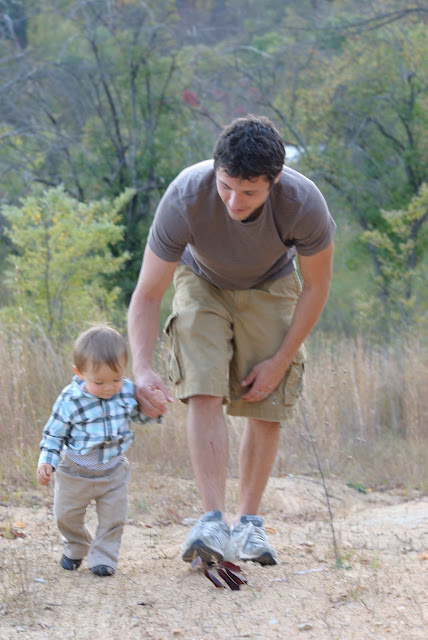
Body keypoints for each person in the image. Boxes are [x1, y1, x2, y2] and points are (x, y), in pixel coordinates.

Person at [127, 114, 335, 566]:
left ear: (274, 181)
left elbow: (317, 286)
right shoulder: (185, 196)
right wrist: (141, 369)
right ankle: (212, 522)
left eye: (249, 192)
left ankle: (248, 524)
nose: (234, 201)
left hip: (272, 283)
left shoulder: (304, 203)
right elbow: (148, 293)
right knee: (202, 385)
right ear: (215, 169)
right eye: (226, 186)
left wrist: (280, 360)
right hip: (201, 280)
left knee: (265, 397)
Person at [37, 325, 166, 577]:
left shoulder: (127, 391)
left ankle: (103, 557)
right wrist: (46, 462)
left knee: (113, 519)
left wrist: (155, 409)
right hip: (75, 472)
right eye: (99, 382)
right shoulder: (70, 399)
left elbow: (140, 415)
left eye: (116, 379)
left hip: (113, 472)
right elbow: (54, 434)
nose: (109, 387)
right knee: (65, 516)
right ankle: (76, 545)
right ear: (79, 373)